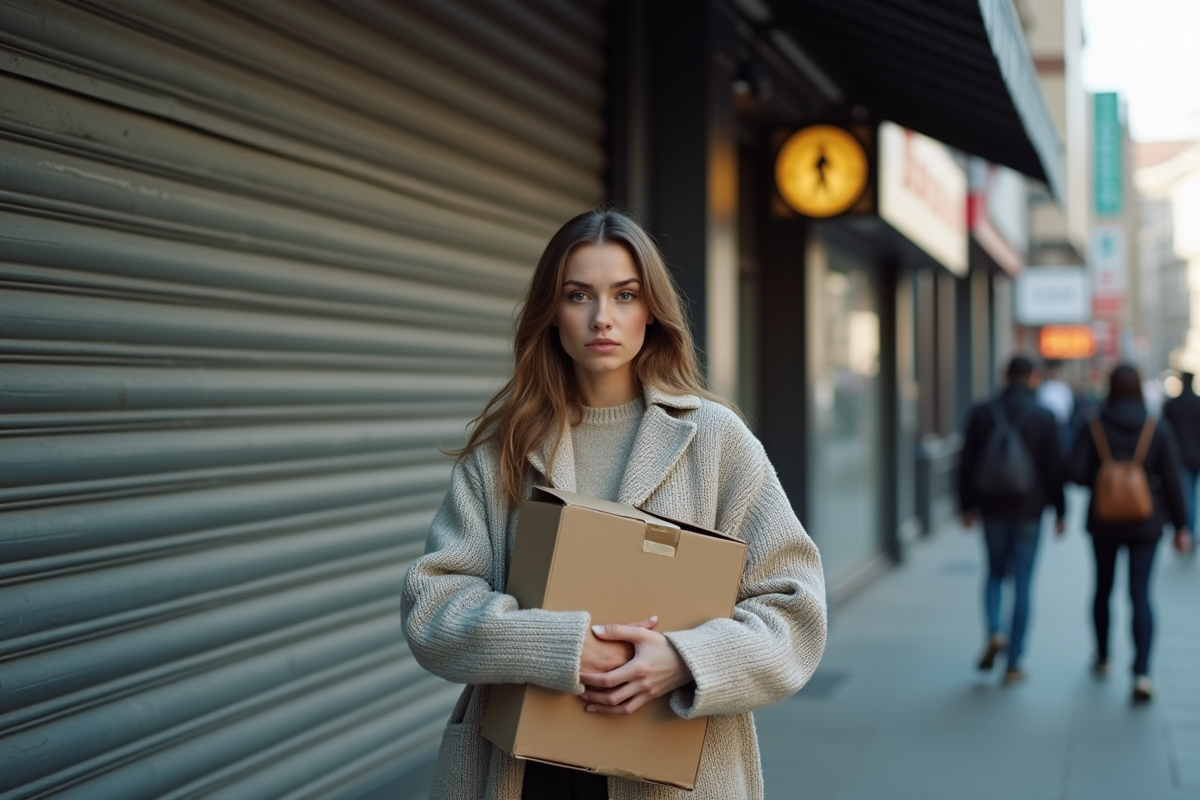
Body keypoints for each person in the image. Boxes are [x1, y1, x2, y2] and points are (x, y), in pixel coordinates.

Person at [400, 207, 828, 800]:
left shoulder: (715, 439)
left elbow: (796, 610)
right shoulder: (506, 447)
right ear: (552, 312)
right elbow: (433, 607)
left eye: (624, 295)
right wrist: (560, 646)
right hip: (522, 772)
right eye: (579, 295)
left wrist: (684, 659)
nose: (603, 318)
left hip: (674, 770)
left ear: (651, 309)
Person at [1068, 364, 1192, 703]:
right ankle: (1141, 672)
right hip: (1146, 521)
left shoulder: (1093, 423)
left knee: (1103, 589)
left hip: (1103, 521)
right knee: (1140, 594)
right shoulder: (1155, 425)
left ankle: (1103, 656)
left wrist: (1104, 475)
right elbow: (1172, 477)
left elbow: (1076, 472)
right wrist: (1182, 527)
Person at [958, 355, 1066, 685]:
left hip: (992, 509)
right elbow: (1054, 468)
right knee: (1023, 582)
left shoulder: (982, 411)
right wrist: (1061, 511)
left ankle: (994, 630)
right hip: (1029, 512)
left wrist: (967, 507)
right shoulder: (1044, 416)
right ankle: (1015, 662)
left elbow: (967, 462)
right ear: (1033, 377)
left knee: (994, 573)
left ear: (1004, 375)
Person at [1162, 371, 1200, 542]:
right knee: (1190, 495)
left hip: (1179, 456)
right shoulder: (1197, 403)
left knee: (1187, 495)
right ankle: (1188, 532)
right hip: (1195, 455)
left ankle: (1187, 532)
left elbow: (1164, 431)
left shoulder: (1172, 404)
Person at [1037, 360, 1075, 455]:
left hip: (1061, 423)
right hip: (1046, 423)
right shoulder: (1043, 387)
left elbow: (1069, 405)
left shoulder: (1064, 387)